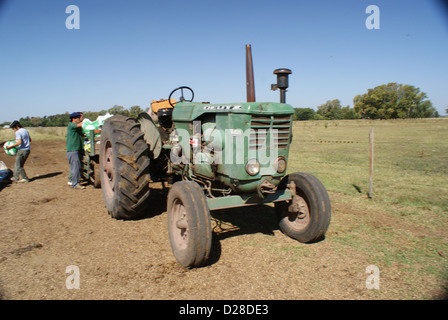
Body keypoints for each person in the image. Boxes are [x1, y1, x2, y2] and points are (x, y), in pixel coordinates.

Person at [66, 112, 85, 190]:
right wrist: (86, 121)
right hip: (73, 149)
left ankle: (74, 181)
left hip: (77, 148)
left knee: (77, 166)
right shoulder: (71, 125)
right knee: (75, 167)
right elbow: (81, 124)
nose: (79, 119)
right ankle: (75, 184)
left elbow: (84, 133)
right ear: (73, 119)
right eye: (78, 118)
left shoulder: (78, 127)